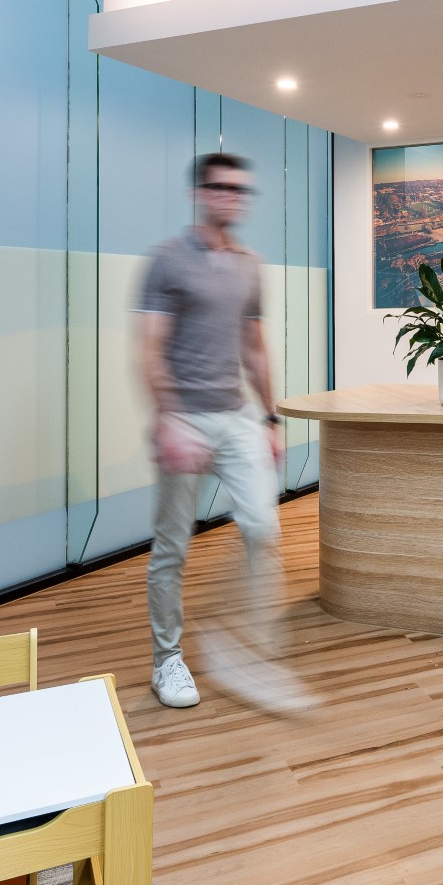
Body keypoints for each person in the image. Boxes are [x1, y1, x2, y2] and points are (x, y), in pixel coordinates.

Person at [137, 151, 311, 713]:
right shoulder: (167, 261)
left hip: (236, 415)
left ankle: (243, 646)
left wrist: (269, 418)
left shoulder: (249, 265)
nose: (231, 197)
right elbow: (149, 349)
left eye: (239, 189)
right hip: (183, 417)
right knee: (172, 546)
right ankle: (167, 659)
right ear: (199, 194)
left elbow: (254, 348)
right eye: (220, 187)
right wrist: (168, 419)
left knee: (262, 527)